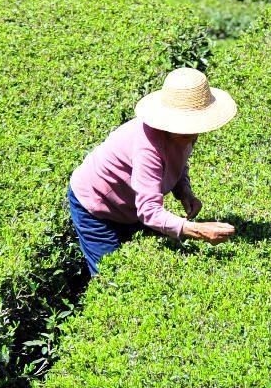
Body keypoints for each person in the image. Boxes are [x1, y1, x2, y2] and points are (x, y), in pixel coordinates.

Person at [69, 68, 239, 276]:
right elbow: (149, 211)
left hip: (129, 204)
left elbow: (177, 162)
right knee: (111, 277)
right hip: (97, 207)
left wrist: (184, 191)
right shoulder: (147, 149)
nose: (194, 133)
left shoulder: (183, 134)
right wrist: (198, 230)